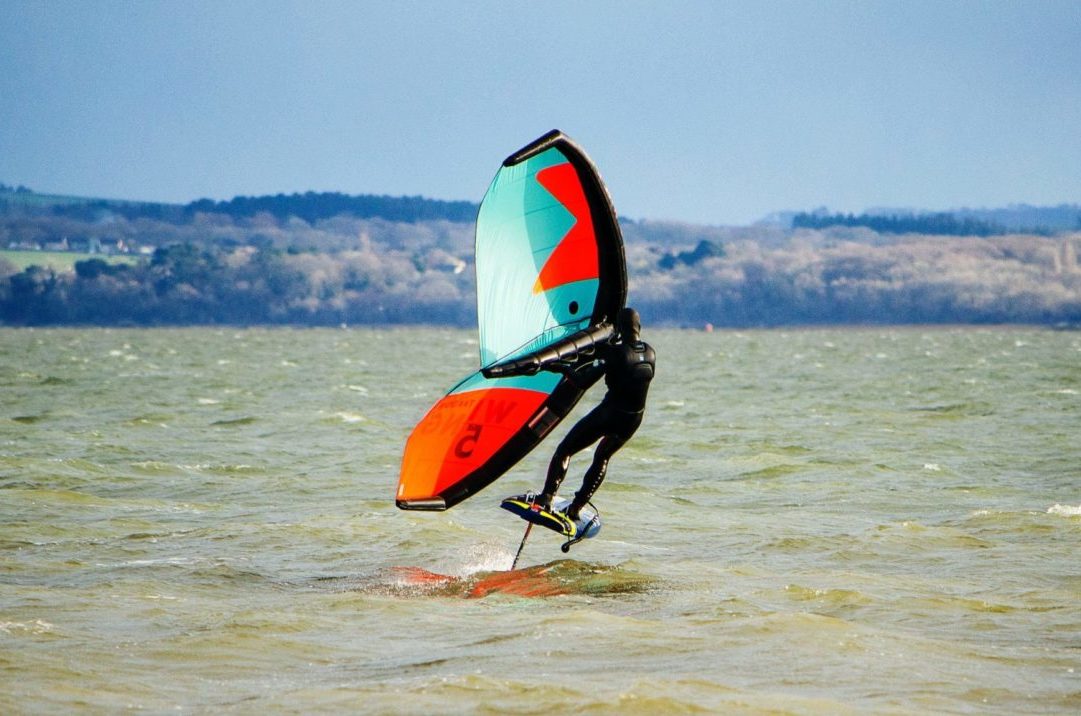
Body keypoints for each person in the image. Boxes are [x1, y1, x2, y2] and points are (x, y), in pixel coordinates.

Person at [536, 306, 656, 521]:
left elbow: (582, 381)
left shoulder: (616, 353)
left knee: (565, 450)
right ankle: (576, 508)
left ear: (618, 328)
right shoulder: (650, 352)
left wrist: (562, 368)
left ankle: (547, 497)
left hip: (609, 414)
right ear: (639, 327)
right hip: (633, 420)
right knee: (602, 457)